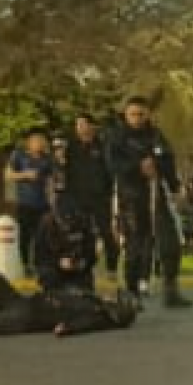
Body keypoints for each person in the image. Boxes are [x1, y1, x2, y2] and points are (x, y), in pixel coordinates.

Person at [0, 190, 138, 342]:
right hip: (28, 302)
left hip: (29, 317)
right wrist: (60, 268)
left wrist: (67, 328)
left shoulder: (97, 314)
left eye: (115, 298)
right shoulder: (92, 298)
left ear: (116, 310)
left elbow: (78, 325)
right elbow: (41, 262)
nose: (110, 294)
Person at [106, 96, 193, 309]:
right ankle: (132, 291)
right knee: (135, 244)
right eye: (133, 114)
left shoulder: (155, 135)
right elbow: (112, 165)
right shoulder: (117, 136)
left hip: (156, 194)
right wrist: (137, 167)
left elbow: (167, 160)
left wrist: (174, 186)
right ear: (125, 115)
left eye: (141, 114)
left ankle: (171, 289)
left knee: (170, 241)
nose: (137, 119)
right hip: (130, 196)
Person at [66, 114, 119, 280]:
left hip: (100, 197)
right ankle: (83, 266)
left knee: (106, 233)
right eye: (77, 125)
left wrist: (109, 192)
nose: (80, 128)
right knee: (80, 233)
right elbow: (64, 170)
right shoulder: (71, 147)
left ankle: (112, 267)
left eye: (83, 124)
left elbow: (111, 170)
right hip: (77, 197)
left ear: (91, 126)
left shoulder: (103, 146)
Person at [6, 128, 56, 270]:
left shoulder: (47, 159)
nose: (39, 143)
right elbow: (8, 175)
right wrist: (25, 175)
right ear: (29, 142)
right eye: (35, 140)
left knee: (42, 236)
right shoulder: (19, 156)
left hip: (43, 203)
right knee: (25, 235)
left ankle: (40, 263)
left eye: (41, 140)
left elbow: (52, 180)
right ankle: (25, 264)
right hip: (25, 203)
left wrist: (52, 198)